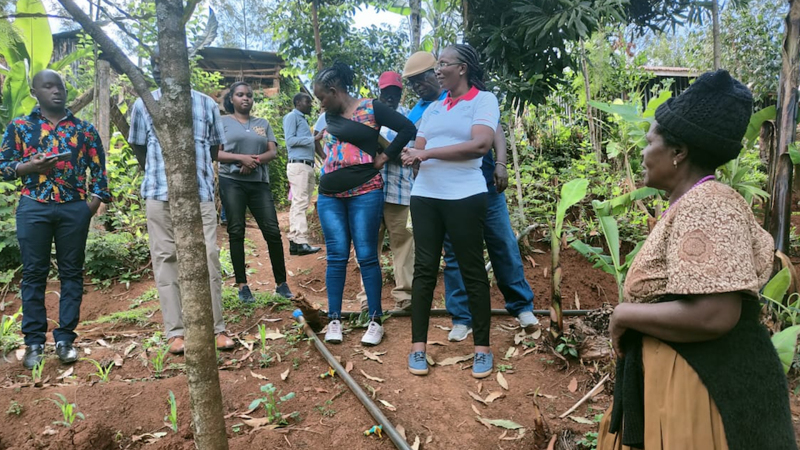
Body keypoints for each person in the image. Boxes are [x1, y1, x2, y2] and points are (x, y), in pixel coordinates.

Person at [598, 70, 796, 450]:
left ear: (678, 152)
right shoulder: (694, 203)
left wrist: (623, 314)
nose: (643, 153)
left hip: (695, 386)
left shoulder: (707, 205)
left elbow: (715, 314)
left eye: (649, 142)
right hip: (680, 376)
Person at [402, 50, 539, 343]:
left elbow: (494, 131)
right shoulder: (424, 109)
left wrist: (500, 163)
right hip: (443, 192)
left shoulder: (478, 98)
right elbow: (417, 143)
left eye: (420, 79)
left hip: (484, 183)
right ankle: (462, 317)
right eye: (412, 83)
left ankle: (521, 306)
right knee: (454, 254)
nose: (418, 86)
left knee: (501, 241)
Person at [0, 69, 111, 369]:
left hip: (74, 208)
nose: (56, 91)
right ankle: (34, 343)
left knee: (72, 273)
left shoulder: (84, 130)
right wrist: (29, 167)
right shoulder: (20, 127)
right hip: (33, 207)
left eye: (59, 86)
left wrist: (90, 207)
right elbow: (3, 166)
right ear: (34, 92)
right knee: (34, 274)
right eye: (48, 86)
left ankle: (65, 340)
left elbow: (99, 171)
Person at [401, 44, 498, 379]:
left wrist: (425, 155)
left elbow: (480, 145)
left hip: (465, 195)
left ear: (462, 68)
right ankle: (417, 347)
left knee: (472, 270)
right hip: (425, 195)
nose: (437, 70)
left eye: (443, 64)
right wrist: (411, 155)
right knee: (424, 271)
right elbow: (419, 147)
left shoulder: (483, 100)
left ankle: (482, 349)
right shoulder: (433, 109)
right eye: (437, 65)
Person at [128, 53, 234, 355]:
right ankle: (175, 332)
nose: (159, 69)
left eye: (165, 62)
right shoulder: (143, 104)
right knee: (165, 258)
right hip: (158, 193)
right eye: (155, 64)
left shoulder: (206, 104)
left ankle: (217, 328)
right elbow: (139, 147)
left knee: (209, 256)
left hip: (199, 193)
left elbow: (213, 149)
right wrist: (160, 172)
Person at [312, 62, 416, 346]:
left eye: (322, 97)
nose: (321, 104)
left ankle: (375, 320)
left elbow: (407, 128)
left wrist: (384, 156)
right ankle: (334, 319)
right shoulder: (328, 117)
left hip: (365, 191)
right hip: (329, 195)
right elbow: (322, 146)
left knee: (367, 256)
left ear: (334, 90)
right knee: (336, 257)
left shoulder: (371, 108)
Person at [218, 82, 293, 303]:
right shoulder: (222, 122)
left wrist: (254, 161)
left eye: (249, 95)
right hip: (232, 182)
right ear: (231, 99)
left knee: (272, 231)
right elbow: (217, 154)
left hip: (259, 183)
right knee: (236, 230)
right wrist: (241, 158)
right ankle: (242, 286)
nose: (246, 98)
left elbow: (272, 151)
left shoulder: (263, 123)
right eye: (240, 95)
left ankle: (281, 284)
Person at [355, 71, 415, 312]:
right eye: (386, 93)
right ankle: (367, 300)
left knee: (405, 245)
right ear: (379, 92)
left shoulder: (409, 118)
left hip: (401, 191)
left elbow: (408, 156)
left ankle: (405, 297)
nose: (390, 97)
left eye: (395, 93)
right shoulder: (367, 116)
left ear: (401, 94)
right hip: (368, 191)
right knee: (368, 246)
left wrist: (384, 149)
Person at [283, 93, 322, 256]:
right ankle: (301, 242)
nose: (310, 105)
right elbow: (290, 141)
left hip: (305, 165)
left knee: (299, 203)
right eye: (307, 102)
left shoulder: (302, 119)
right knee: (300, 202)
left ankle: (295, 241)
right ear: (298, 102)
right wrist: (313, 138)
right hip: (299, 165)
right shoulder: (292, 117)